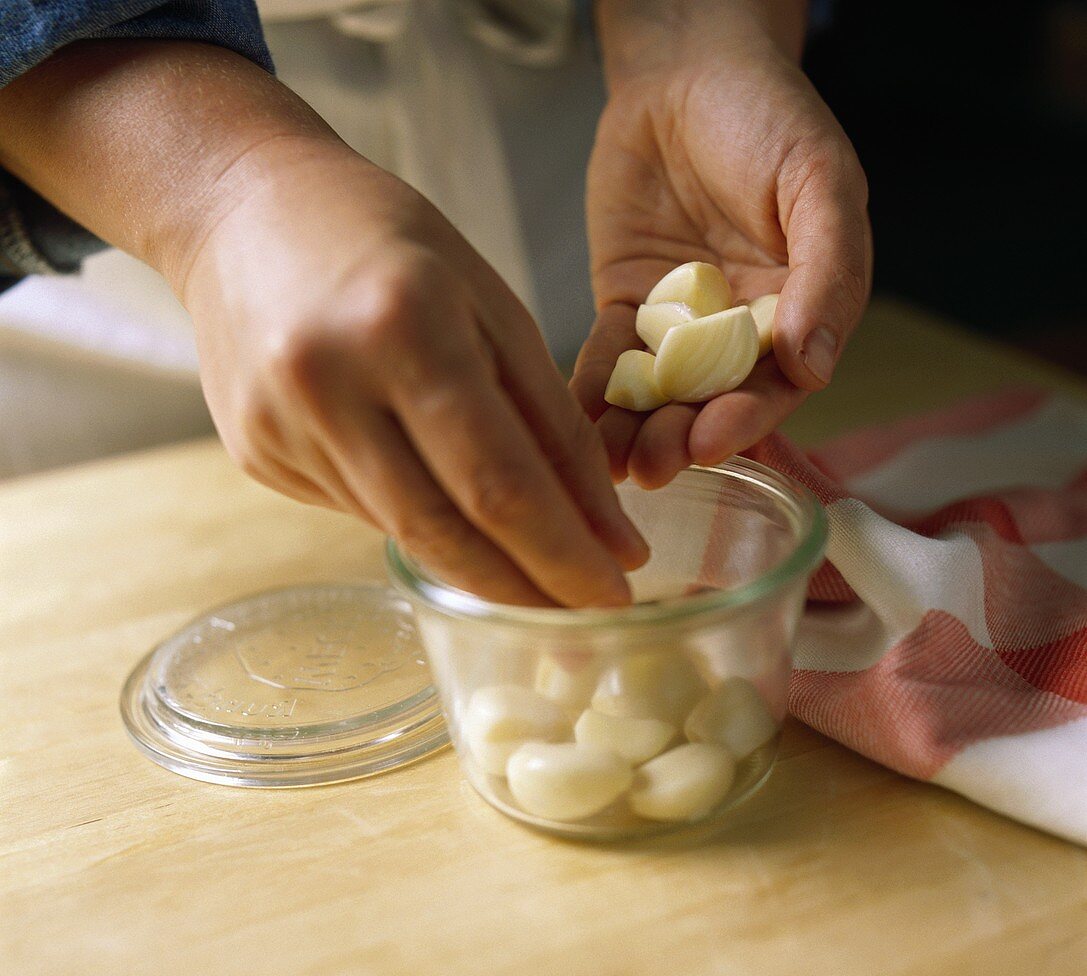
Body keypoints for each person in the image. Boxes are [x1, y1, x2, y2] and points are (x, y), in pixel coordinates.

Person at [0, 0, 871, 607]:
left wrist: (691, 33)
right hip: (117, 200)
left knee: (595, 459)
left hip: (585, 147)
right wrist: (216, 194)